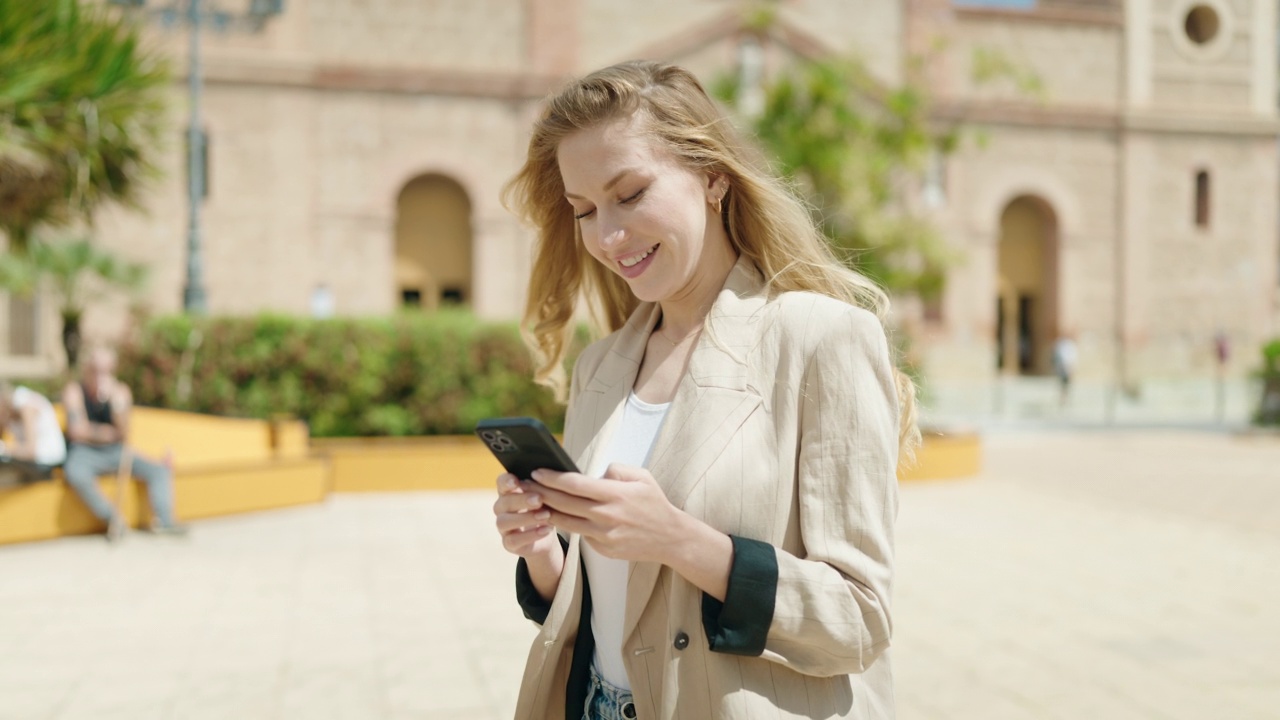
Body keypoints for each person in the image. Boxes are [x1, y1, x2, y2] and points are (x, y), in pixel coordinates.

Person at [493, 60, 918, 720]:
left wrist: (676, 539)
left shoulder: (822, 339)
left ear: (713, 177)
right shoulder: (601, 366)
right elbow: (607, 609)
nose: (607, 236)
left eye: (630, 194)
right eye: (584, 210)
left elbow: (859, 619)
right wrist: (546, 550)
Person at [62, 347, 187, 539]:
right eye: (96, 370)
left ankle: (165, 521)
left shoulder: (120, 391)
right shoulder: (75, 390)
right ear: (88, 369)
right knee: (75, 473)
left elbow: (124, 432)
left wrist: (116, 404)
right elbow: (77, 430)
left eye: (105, 371)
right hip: (85, 452)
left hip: (115, 451)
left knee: (159, 469)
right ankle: (113, 520)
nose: (100, 376)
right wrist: (108, 433)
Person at [0, 382, 67, 487]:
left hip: (48, 463)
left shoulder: (26, 405)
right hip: (34, 463)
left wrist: (4, 449)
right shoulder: (9, 414)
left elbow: (30, 451)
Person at [1052, 334, 1078, 407]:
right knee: (1063, 384)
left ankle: (1064, 399)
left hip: (1066, 368)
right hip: (1063, 368)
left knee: (1066, 385)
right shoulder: (1062, 345)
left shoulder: (1069, 346)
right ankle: (1063, 399)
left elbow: (1071, 358)